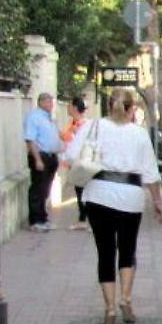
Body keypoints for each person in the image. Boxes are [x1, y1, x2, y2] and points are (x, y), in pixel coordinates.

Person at [65, 88, 162, 324]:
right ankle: (126, 299)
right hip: (130, 197)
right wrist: (158, 202)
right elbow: (150, 172)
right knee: (127, 249)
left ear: (108, 106)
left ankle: (109, 309)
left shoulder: (92, 126)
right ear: (132, 110)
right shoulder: (140, 134)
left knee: (105, 252)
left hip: (98, 195)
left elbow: (69, 155)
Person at [23, 92, 64, 232]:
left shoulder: (49, 118)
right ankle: (35, 221)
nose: (50, 105)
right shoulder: (34, 117)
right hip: (40, 156)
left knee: (45, 189)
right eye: (47, 102)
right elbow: (30, 139)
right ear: (40, 102)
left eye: (51, 102)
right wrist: (37, 159)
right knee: (38, 189)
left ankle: (43, 218)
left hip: (51, 157)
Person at [60, 96, 90, 230]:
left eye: (69, 105)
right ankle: (82, 219)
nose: (67, 108)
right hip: (74, 162)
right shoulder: (73, 124)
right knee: (79, 191)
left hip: (82, 163)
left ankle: (87, 220)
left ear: (75, 108)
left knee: (84, 191)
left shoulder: (84, 125)